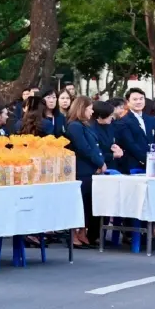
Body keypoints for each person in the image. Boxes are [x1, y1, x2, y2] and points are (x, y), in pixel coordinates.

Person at [66, 96, 106, 248]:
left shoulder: (86, 125)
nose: (92, 111)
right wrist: (99, 162)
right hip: (81, 169)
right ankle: (74, 234)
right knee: (80, 203)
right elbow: (84, 148)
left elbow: (94, 146)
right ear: (82, 109)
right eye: (90, 108)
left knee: (88, 204)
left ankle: (83, 232)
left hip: (90, 169)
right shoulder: (74, 126)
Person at [113, 88, 154, 173]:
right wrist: (145, 160)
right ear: (128, 102)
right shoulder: (123, 122)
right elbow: (130, 144)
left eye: (141, 99)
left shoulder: (150, 119)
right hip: (134, 165)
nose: (139, 102)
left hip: (152, 165)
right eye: (135, 99)